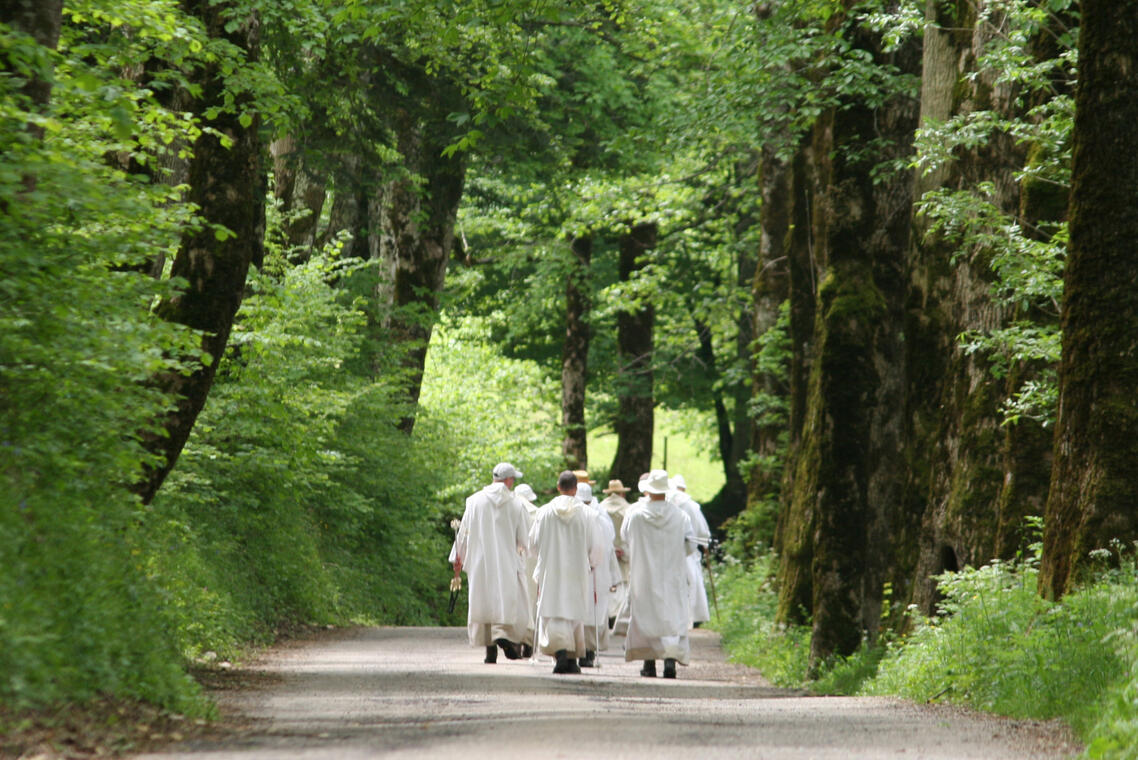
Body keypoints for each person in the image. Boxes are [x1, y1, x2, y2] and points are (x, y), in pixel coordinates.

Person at [450, 462, 532, 664]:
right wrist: (527, 551)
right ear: (509, 480)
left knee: (484, 599)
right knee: (508, 600)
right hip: (507, 561)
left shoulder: (474, 501)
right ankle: (504, 635)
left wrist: (458, 557)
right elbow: (525, 538)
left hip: (480, 561)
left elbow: (464, 533)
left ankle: (490, 652)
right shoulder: (516, 504)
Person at [621, 469, 697, 679]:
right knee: (671, 615)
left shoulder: (635, 515)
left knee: (647, 615)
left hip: (644, 574)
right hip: (672, 574)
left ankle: (649, 661)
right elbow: (691, 545)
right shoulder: (681, 516)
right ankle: (670, 660)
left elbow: (625, 537)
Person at [529, 471, 606, 674]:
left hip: (551, 569)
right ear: (576, 488)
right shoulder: (588, 514)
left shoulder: (544, 512)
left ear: (558, 486)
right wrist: (591, 563)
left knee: (553, 611)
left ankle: (562, 653)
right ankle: (571, 655)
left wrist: (543, 557)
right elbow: (597, 546)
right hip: (577, 569)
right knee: (574, 612)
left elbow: (533, 543)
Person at [575, 480, 620, 667]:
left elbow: (607, 547)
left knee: (592, 610)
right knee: (589, 610)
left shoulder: (597, 518)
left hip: (594, 570)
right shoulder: (601, 517)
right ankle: (584, 650)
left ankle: (588, 651)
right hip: (593, 570)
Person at [671, 474, 711, 627]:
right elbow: (702, 531)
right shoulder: (692, 506)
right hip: (689, 550)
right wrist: (705, 543)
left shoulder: (667, 504)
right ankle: (693, 617)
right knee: (692, 583)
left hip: (671, 551)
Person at [599, 479, 633, 628]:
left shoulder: (600, 508)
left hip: (606, 550)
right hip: (624, 550)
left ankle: (608, 613)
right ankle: (617, 615)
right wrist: (624, 551)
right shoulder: (629, 509)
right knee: (622, 585)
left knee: (607, 584)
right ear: (622, 493)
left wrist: (610, 548)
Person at [515, 482, 540, 658]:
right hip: (532, 559)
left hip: (514, 559)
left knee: (515, 599)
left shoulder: (510, 510)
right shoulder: (537, 513)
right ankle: (529, 641)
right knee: (531, 599)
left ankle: (515, 639)